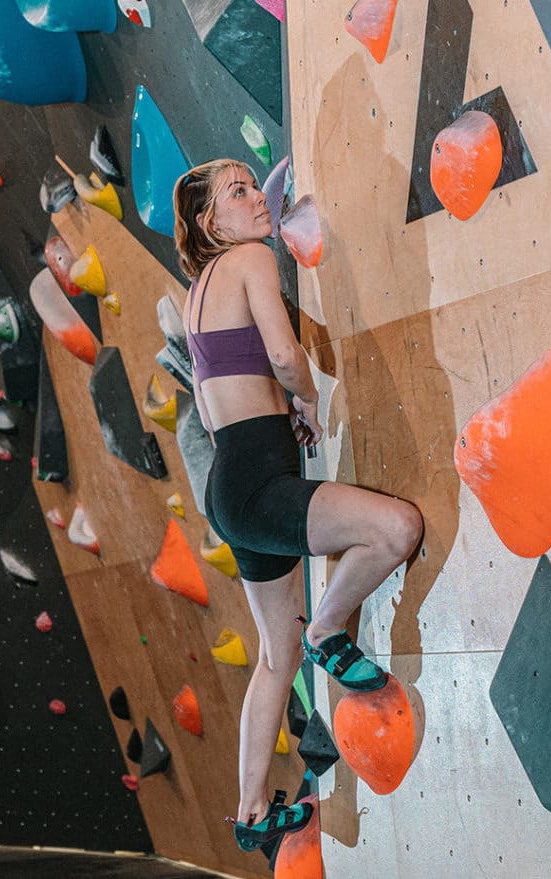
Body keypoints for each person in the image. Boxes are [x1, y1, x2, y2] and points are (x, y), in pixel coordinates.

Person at [172, 159, 423, 853]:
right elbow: (284, 356)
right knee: (397, 528)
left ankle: (253, 812)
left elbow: (212, 404)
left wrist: (276, 416)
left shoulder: (197, 294)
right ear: (210, 221)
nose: (259, 199)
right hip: (257, 481)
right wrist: (306, 400)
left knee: (273, 658)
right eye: (239, 192)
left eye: (254, 185)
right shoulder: (250, 258)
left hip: (232, 483)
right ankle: (330, 628)